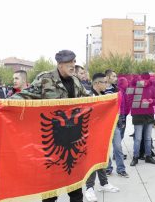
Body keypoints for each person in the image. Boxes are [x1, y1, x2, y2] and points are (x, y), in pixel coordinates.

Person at [11, 50, 88, 202]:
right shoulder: (45, 78)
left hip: (74, 141)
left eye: (74, 61)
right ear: (59, 65)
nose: (73, 65)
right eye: (69, 63)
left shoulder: (76, 81)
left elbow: (88, 100)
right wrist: (5, 104)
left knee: (76, 190)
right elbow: (26, 95)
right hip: (53, 142)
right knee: (50, 192)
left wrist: (106, 102)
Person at [84, 73, 119, 202]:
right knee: (92, 161)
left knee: (102, 158)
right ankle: (89, 188)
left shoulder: (102, 96)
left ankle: (104, 183)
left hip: (101, 134)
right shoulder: (88, 96)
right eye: (105, 82)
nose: (107, 84)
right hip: (90, 135)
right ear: (97, 83)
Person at [130, 73, 155, 166]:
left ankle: (148, 156)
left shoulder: (152, 87)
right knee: (138, 138)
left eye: (147, 80)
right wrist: (139, 101)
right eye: (143, 80)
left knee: (147, 138)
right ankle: (135, 157)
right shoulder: (134, 87)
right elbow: (129, 100)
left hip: (149, 115)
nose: (145, 82)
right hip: (138, 115)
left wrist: (152, 101)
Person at [103, 69, 128, 176]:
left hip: (115, 123)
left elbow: (121, 106)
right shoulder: (100, 90)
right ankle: (108, 168)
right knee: (105, 148)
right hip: (103, 124)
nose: (115, 78)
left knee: (118, 147)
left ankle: (121, 169)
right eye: (113, 76)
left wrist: (122, 119)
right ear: (108, 77)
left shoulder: (117, 90)